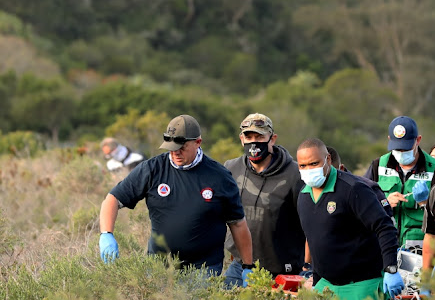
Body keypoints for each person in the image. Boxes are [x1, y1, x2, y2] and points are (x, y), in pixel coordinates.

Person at [98, 114, 254, 282]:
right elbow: (113, 199)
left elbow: (237, 223)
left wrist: (247, 266)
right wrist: (106, 234)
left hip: (203, 269)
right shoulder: (152, 169)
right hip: (158, 266)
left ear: (198, 143)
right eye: (172, 147)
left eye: (182, 147)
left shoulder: (220, 177)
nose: (176, 153)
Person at [297, 138, 404, 300]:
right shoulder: (303, 196)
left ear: (328, 159)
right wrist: (313, 277)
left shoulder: (353, 189)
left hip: (361, 286)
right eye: (303, 166)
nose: (309, 170)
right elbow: (315, 239)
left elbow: (384, 227)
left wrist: (391, 268)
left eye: (314, 163)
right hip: (326, 286)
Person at [222, 113, 306, 287]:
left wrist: (307, 266)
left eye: (260, 136)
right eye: (248, 136)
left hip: (282, 271)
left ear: (272, 139)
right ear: (241, 139)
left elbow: (310, 223)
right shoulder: (231, 168)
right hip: (240, 266)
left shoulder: (295, 174)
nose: (253, 141)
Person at [364, 116, 435, 248]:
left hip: (420, 252)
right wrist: (384, 203)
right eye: (397, 149)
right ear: (389, 140)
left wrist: (426, 204)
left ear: (418, 140)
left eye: (406, 149)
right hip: (383, 248)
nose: (401, 153)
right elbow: (362, 206)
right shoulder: (377, 166)